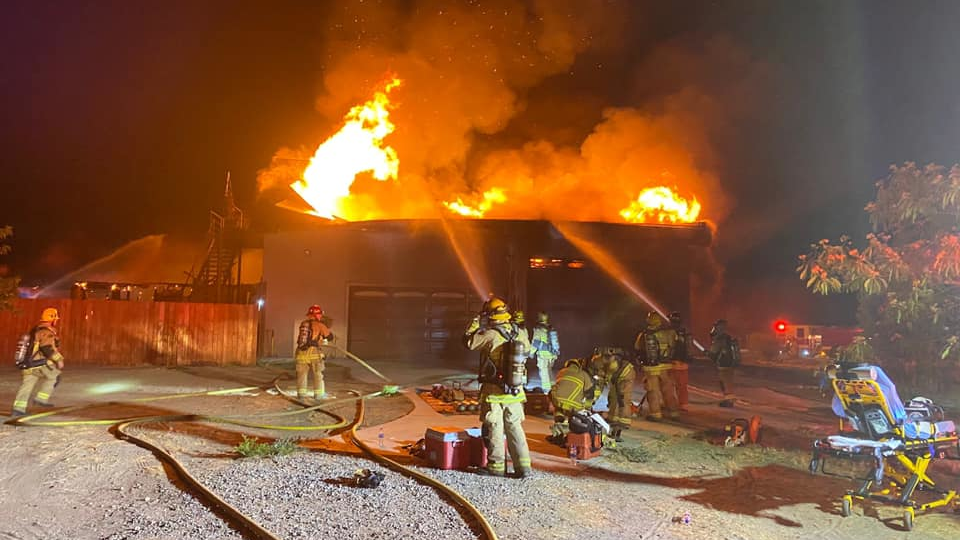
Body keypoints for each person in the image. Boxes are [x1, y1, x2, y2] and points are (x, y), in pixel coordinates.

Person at [464, 296, 533, 478]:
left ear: (491, 314)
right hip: (516, 390)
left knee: (495, 427)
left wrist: (475, 323)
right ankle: (523, 467)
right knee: (515, 427)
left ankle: (496, 467)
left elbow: (469, 342)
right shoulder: (520, 332)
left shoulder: (491, 334)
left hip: (495, 391)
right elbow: (528, 351)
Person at [12, 308, 65, 417]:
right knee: (55, 376)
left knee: (27, 385)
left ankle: (18, 409)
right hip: (38, 363)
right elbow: (46, 348)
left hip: (27, 364)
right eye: (55, 318)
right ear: (52, 319)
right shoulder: (46, 331)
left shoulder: (36, 329)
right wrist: (59, 360)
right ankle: (41, 399)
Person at [548, 352, 605, 443]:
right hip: (574, 406)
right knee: (577, 416)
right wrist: (588, 407)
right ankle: (569, 434)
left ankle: (557, 433)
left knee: (559, 411)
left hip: (558, 401)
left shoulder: (562, 371)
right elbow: (590, 394)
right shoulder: (583, 374)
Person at [634, 312, 680, 420]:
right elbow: (675, 345)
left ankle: (655, 414)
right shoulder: (670, 333)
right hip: (666, 366)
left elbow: (637, 347)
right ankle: (673, 412)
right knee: (668, 390)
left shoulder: (644, 334)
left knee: (652, 390)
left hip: (651, 368)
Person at [295, 304, 334, 400]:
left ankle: (301, 395)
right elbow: (330, 337)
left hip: (301, 353)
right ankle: (318, 395)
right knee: (318, 375)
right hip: (314, 354)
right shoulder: (320, 325)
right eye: (320, 314)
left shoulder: (303, 324)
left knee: (301, 375)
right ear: (317, 315)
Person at [600, 347, 634, 441]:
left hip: (625, 377)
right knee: (613, 397)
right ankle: (613, 418)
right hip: (616, 378)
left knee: (623, 399)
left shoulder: (614, 364)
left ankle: (623, 421)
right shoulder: (607, 364)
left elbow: (607, 375)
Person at [707, 319, 739, 407]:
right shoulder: (729, 337)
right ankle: (729, 400)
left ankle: (728, 401)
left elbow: (714, 352)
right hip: (731, 363)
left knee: (724, 382)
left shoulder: (720, 338)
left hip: (723, 363)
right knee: (729, 381)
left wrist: (707, 353)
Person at [529, 311, 560, 392]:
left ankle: (547, 390)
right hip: (552, 354)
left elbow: (535, 342)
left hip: (543, 355)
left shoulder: (538, 329)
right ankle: (553, 387)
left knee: (544, 373)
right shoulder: (550, 328)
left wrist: (531, 353)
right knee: (549, 371)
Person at [668, 311, 691, 412]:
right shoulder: (686, 331)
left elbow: (668, 347)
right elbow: (689, 346)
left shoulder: (668, 331)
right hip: (684, 363)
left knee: (669, 385)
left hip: (671, 362)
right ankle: (684, 404)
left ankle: (670, 404)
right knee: (682, 385)